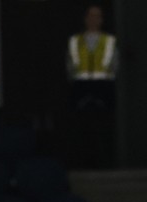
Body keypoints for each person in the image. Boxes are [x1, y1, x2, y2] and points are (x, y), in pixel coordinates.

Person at [65, 5, 119, 169]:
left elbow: (114, 65)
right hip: (81, 87)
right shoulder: (75, 41)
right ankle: (82, 164)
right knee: (81, 127)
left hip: (103, 87)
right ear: (85, 19)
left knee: (103, 127)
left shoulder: (109, 41)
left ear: (101, 20)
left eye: (97, 16)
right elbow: (70, 66)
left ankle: (105, 164)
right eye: (91, 16)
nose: (94, 20)